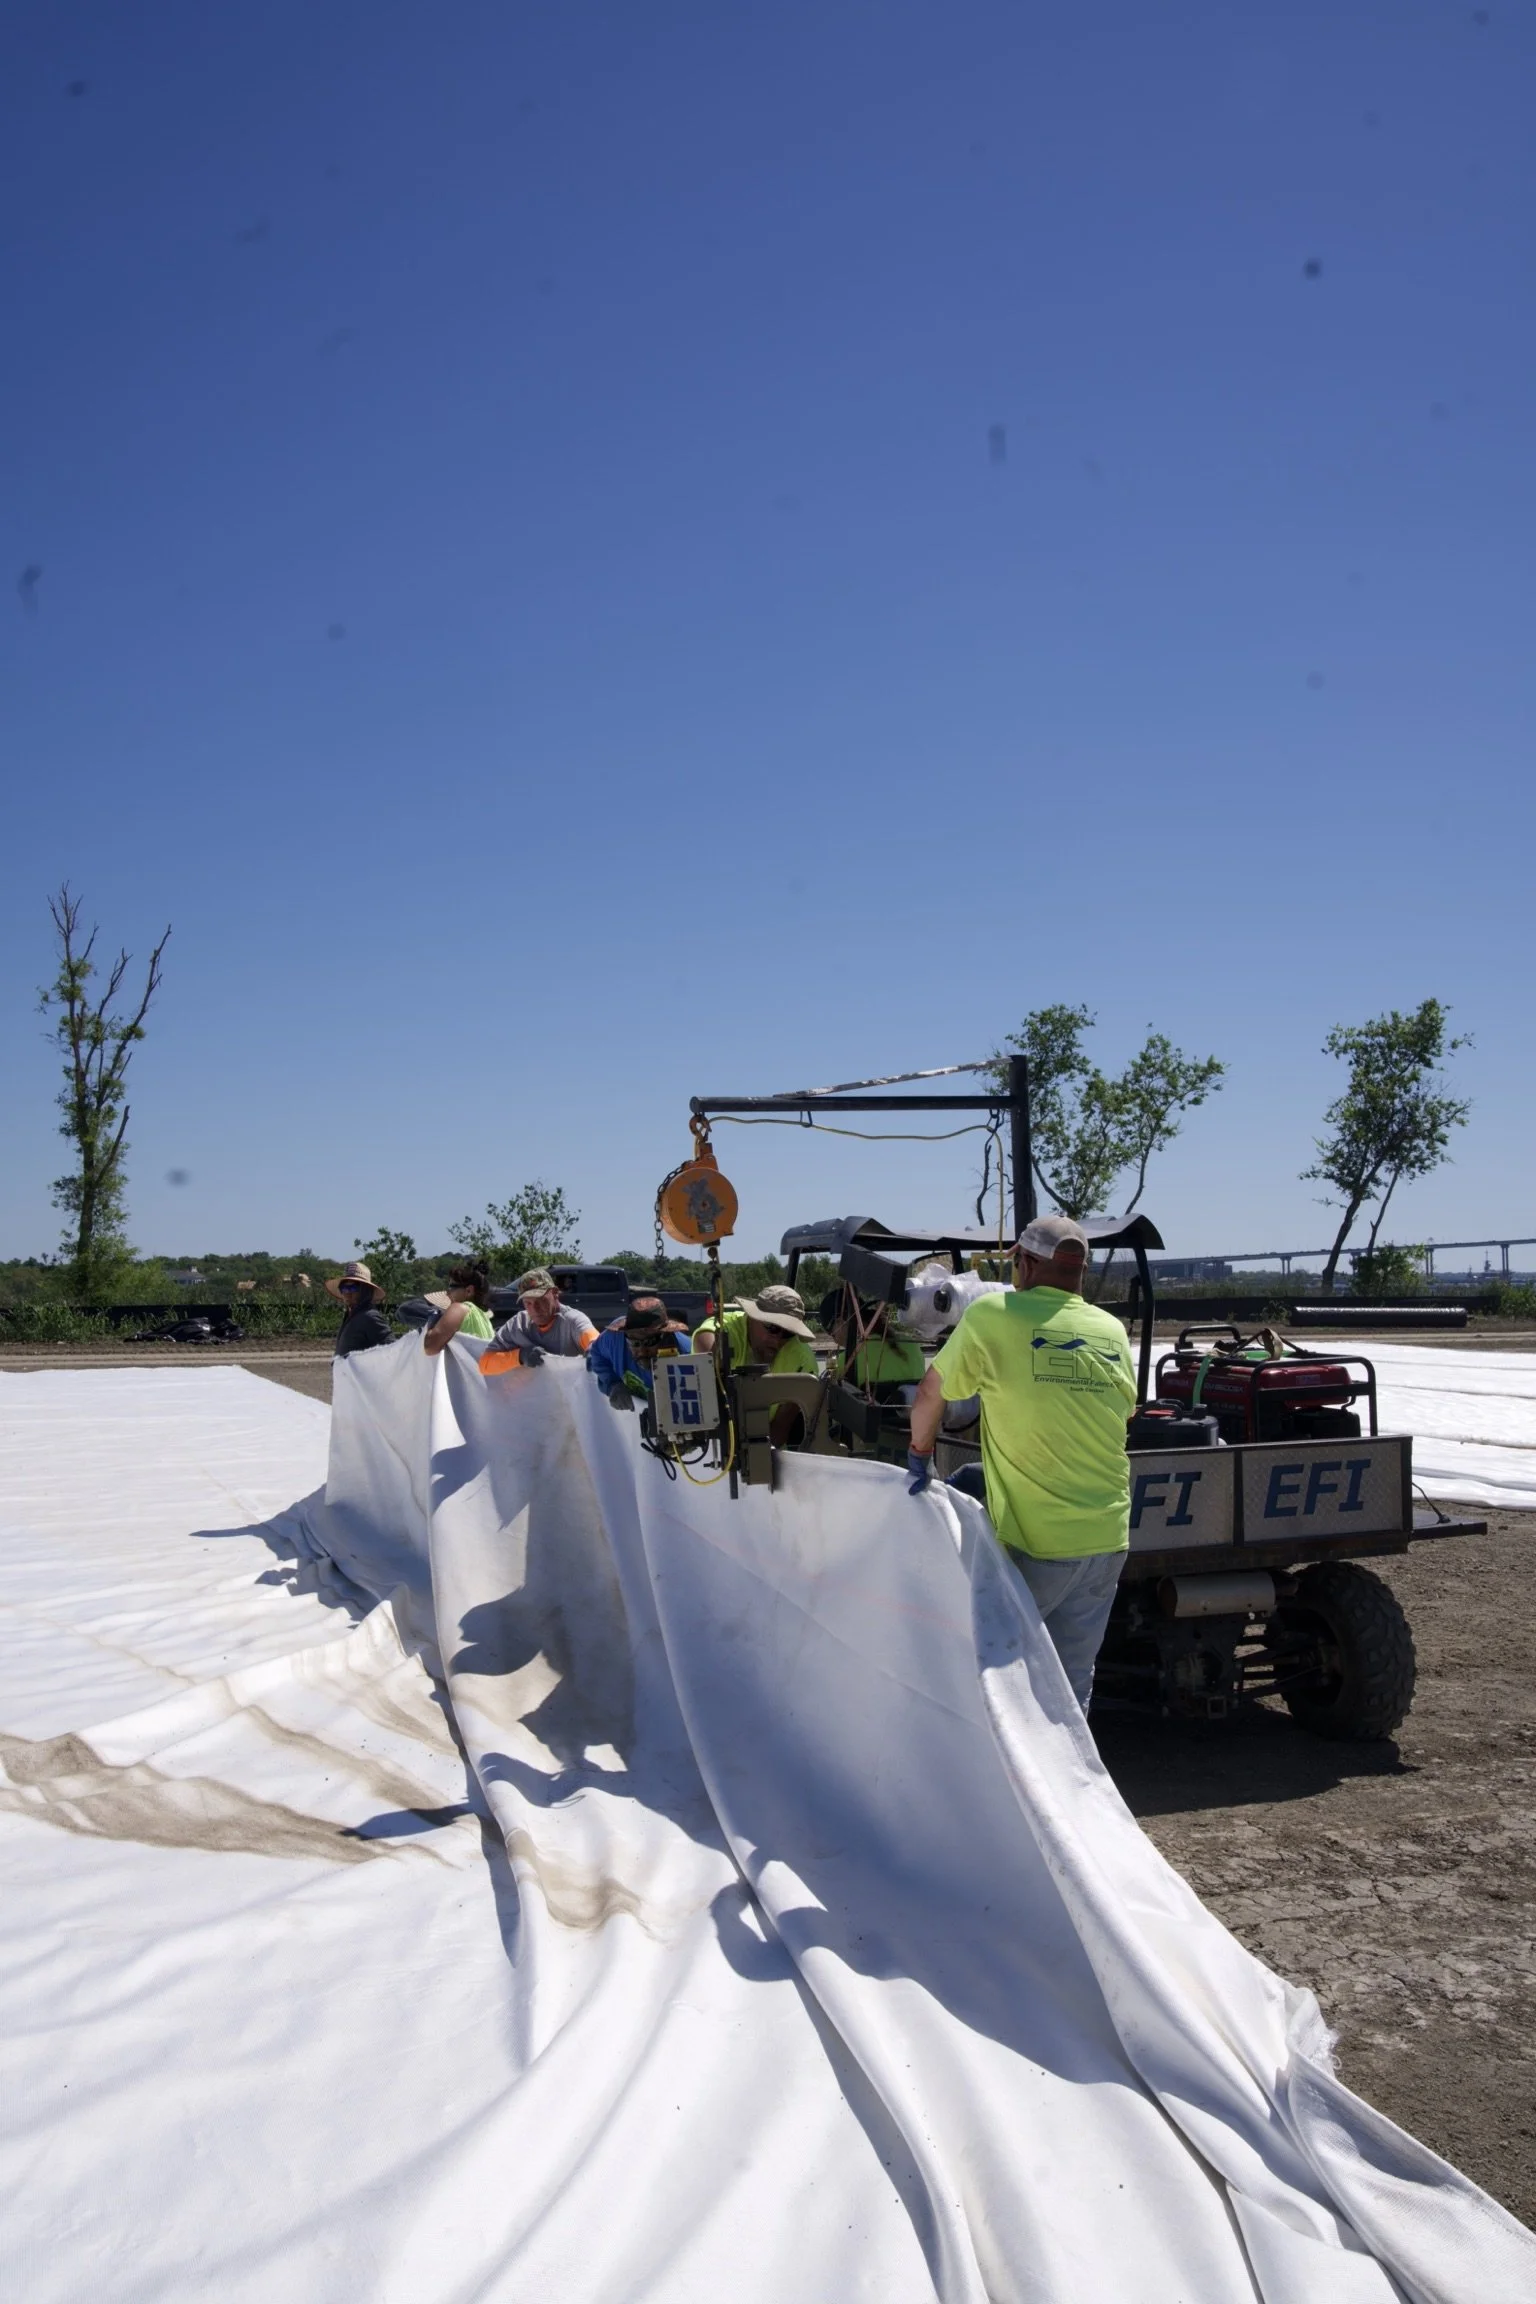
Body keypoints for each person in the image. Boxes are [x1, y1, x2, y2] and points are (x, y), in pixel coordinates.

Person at [907, 1214, 1137, 1713]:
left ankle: (993, 1788)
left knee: (992, 1680)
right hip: (1108, 1538)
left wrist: (919, 1455)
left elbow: (932, 1394)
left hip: (1042, 1543)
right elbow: (1123, 1412)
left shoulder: (994, 1315)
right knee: (1070, 1691)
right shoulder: (1111, 1330)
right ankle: (1068, 1787)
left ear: (1027, 1264)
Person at [694, 1285, 818, 1446]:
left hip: (763, 1442)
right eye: (772, 1328)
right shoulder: (721, 1332)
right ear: (752, 1317)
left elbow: (781, 1427)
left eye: (788, 1333)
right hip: (712, 1444)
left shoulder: (803, 1362)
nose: (778, 1339)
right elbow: (705, 1348)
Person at [481, 1267, 599, 1375]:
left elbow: (593, 1340)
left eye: (541, 1300)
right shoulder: (518, 1325)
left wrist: (593, 1349)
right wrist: (520, 1356)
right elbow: (485, 1364)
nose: (535, 1308)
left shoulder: (572, 1320)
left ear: (555, 1293)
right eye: (528, 1302)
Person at [587, 1295, 689, 1408]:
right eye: (634, 1342)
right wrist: (613, 1384)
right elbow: (596, 1353)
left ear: (665, 1335)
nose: (642, 1351)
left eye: (650, 1342)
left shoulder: (686, 1356)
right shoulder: (614, 1337)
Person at [823, 1289, 926, 1400]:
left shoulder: (845, 1361)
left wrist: (830, 1367)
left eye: (832, 1334)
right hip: (913, 1416)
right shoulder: (912, 1346)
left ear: (840, 1322)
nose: (835, 1341)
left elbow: (829, 1401)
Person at [421, 1259, 495, 1357]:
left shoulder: (459, 1309)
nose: (447, 1292)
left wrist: (432, 1322)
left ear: (469, 1291)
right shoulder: (486, 1319)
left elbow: (430, 1348)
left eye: (451, 1287)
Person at [327, 1261, 393, 1358]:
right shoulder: (351, 1315)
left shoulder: (370, 1317)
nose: (347, 1293)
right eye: (344, 1288)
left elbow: (391, 1350)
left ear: (365, 1291)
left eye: (352, 1288)